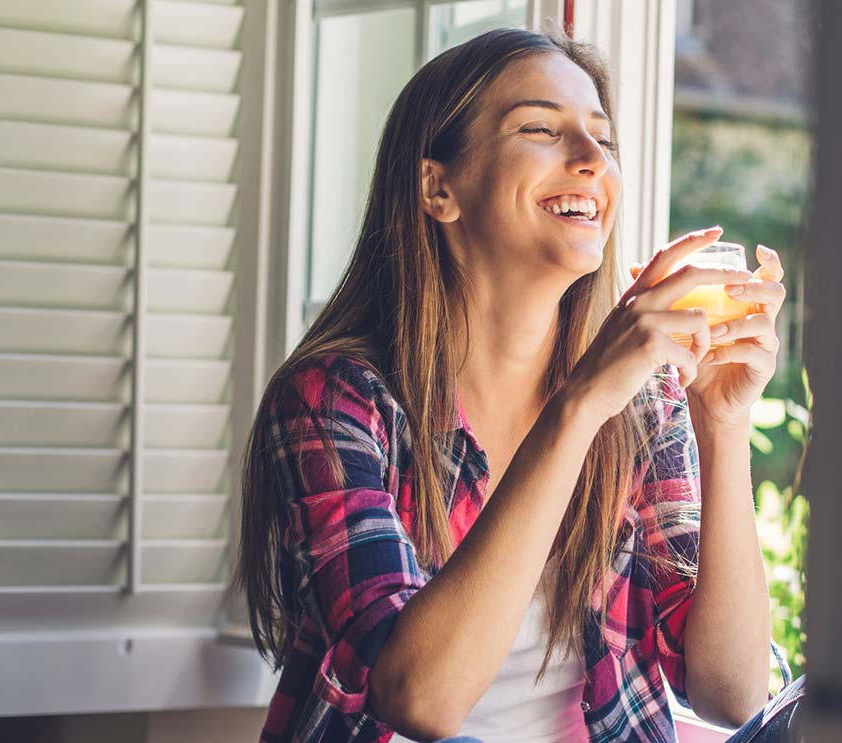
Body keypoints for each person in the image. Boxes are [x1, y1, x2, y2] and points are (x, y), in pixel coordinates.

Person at [231, 27, 805, 743]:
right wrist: (580, 406)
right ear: (439, 187)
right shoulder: (335, 402)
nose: (592, 161)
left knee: (811, 718)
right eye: (541, 128)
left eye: (603, 139)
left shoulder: (644, 398)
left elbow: (731, 690)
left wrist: (722, 423)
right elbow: (418, 698)